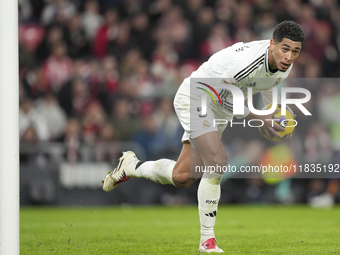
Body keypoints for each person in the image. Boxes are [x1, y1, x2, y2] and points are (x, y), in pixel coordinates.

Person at [103, 21, 304, 253]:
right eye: (285, 49)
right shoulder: (246, 63)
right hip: (198, 95)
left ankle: (131, 166)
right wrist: (259, 116)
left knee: (183, 176)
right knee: (217, 161)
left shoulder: (283, 65)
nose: (289, 56)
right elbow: (227, 96)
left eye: (295, 51)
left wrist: (270, 114)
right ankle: (207, 241)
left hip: (218, 106)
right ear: (272, 44)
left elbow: (268, 82)